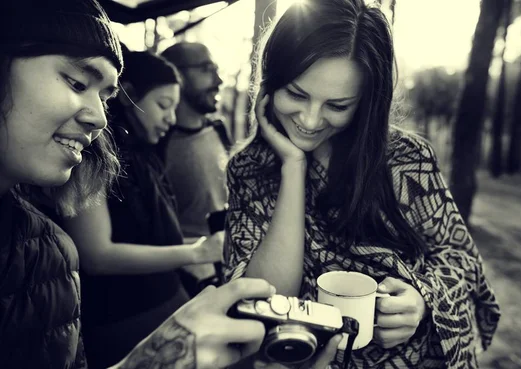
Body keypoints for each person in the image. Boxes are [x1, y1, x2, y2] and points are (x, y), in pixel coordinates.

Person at [0, 1, 341, 368]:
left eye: (105, 97)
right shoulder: (99, 180)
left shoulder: (49, 252)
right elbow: (100, 252)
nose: (100, 117)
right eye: (77, 83)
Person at [223, 1, 501, 368]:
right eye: (296, 94)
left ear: (367, 101)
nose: (309, 120)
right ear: (269, 81)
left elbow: (461, 259)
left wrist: (420, 300)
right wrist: (293, 167)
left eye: (337, 105)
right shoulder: (250, 171)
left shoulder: (405, 158)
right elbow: (266, 296)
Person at [53, 49, 222, 368]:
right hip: (123, 321)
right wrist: (196, 253)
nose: (171, 119)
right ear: (128, 96)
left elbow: (154, 242)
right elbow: (97, 256)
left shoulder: (145, 152)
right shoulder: (91, 154)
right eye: (163, 105)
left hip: (165, 307)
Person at [159, 42, 232, 289]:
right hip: (188, 279)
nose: (219, 79)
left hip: (230, 264)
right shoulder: (156, 145)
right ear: (175, 74)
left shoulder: (219, 129)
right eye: (206, 69)